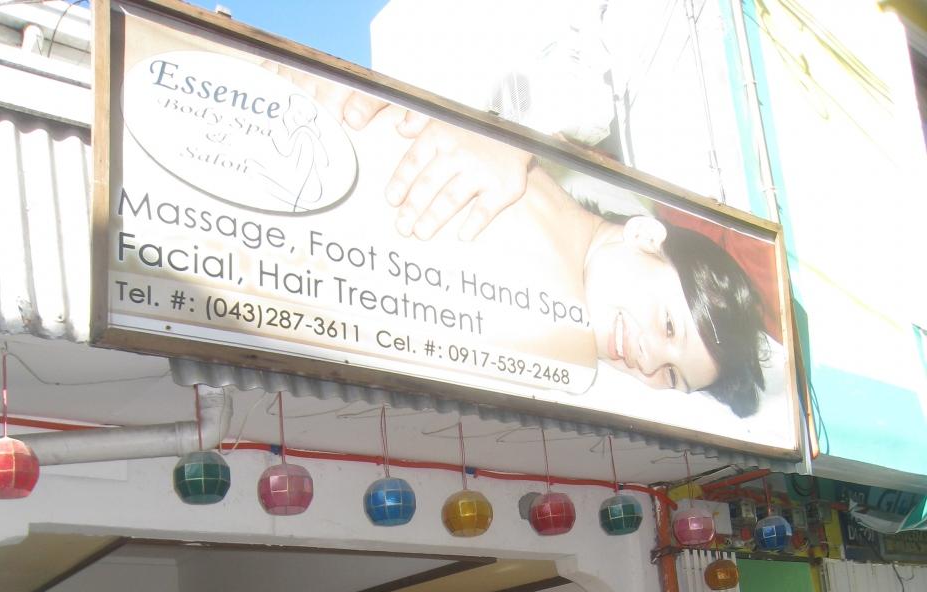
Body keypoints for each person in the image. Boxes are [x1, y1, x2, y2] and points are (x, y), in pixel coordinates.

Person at [326, 97, 768, 416]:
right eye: (668, 325)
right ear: (644, 235)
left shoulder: (555, 347)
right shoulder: (497, 177)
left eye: (671, 376)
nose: (648, 360)